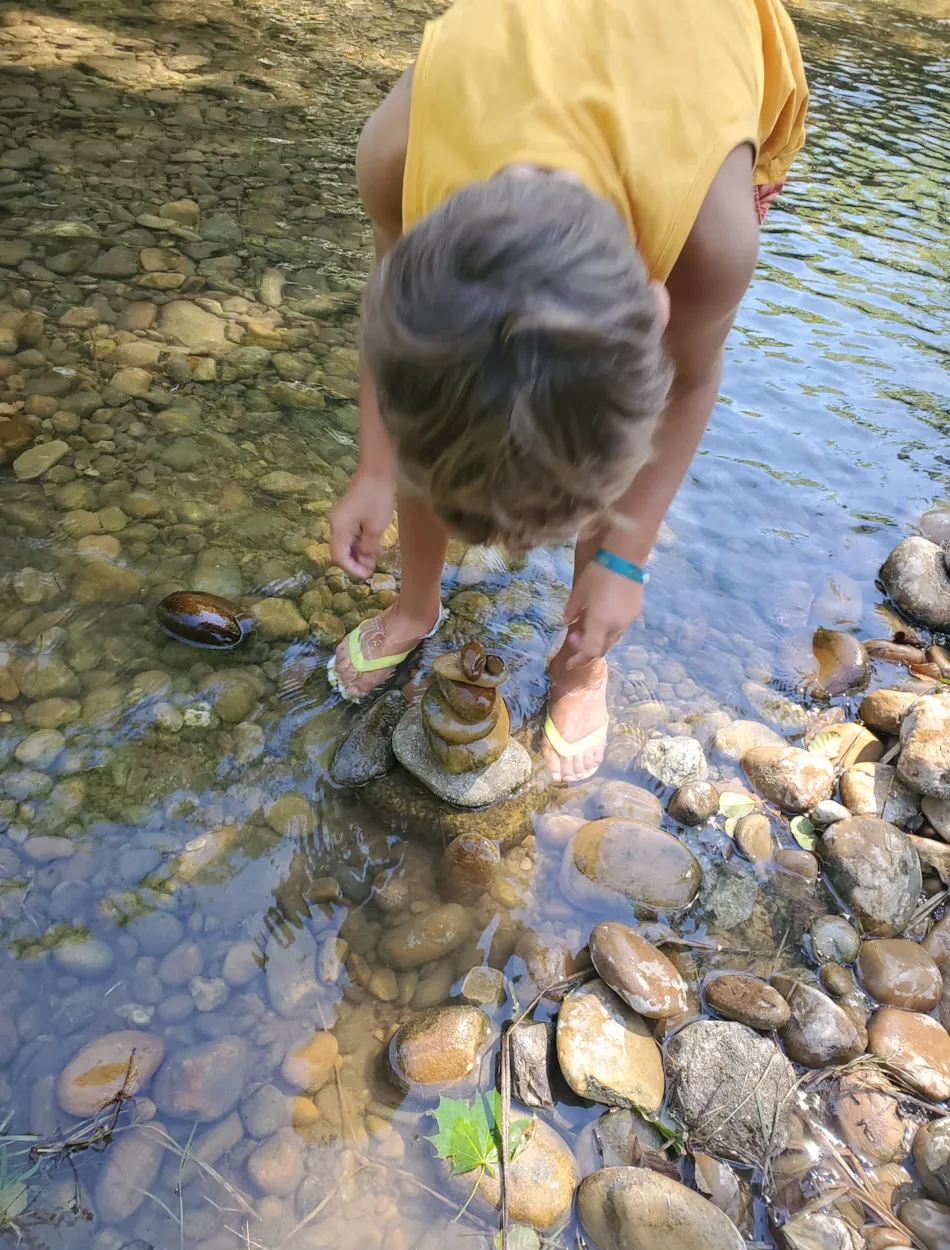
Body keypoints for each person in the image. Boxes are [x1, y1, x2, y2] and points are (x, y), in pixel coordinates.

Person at [327, 0, 808, 784]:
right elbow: (394, 330)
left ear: (657, 308)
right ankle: (418, 605)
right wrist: (378, 469)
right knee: (449, 412)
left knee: (592, 427)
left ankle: (582, 663)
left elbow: (688, 384)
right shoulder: (395, 157)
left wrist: (626, 561)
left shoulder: (710, 245)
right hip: (523, 56)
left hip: (705, 67)